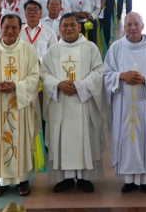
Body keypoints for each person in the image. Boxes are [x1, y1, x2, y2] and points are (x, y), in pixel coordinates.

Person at [41, 13, 108, 193]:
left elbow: (98, 72)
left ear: (79, 27)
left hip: (83, 101)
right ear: (59, 28)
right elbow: (44, 74)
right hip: (60, 101)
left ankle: (85, 177)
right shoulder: (53, 50)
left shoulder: (90, 48)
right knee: (61, 137)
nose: (69, 28)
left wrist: (80, 86)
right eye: (65, 26)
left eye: (73, 25)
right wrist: (58, 84)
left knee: (85, 136)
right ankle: (66, 178)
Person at [0, 14, 41, 197]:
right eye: (6, 27)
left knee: (22, 140)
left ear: (20, 29)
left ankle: (22, 181)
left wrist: (17, 87)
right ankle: (0, 181)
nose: (10, 31)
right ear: (0, 28)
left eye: (14, 27)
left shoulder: (28, 51)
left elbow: (34, 77)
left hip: (20, 107)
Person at [103, 12, 146, 194]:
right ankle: (129, 180)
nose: (133, 28)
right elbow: (106, 74)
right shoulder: (116, 48)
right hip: (123, 102)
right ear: (124, 27)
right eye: (129, 25)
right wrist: (121, 76)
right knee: (126, 137)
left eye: (136, 24)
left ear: (142, 26)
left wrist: (145, 80)